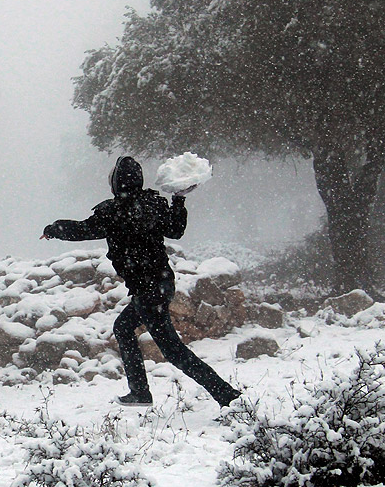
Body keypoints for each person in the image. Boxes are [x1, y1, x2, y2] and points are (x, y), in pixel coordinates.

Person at [42, 156, 241, 408]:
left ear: (115, 183)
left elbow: (82, 230)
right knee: (124, 327)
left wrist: (53, 228)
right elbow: (176, 230)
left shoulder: (111, 212)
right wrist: (178, 199)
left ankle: (227, 396)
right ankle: (139, 392)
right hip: (161, 285)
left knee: (174, 352)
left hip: (148, 291)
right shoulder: (154, 204)